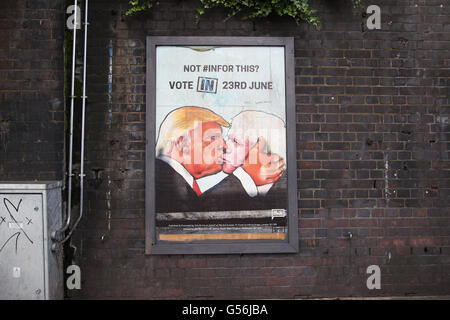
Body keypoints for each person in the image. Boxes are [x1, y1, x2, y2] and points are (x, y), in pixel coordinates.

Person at [200, 110, 288, 211]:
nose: (224, 146)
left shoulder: (286, 192)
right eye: (228, 139)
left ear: (262, 149)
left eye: (235, 141)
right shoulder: (214, 196)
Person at [155, 106, 230, 213]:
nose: (224, 145)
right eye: (212, 138)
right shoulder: (165, 186)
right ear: (181, 143)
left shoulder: (165, 178)